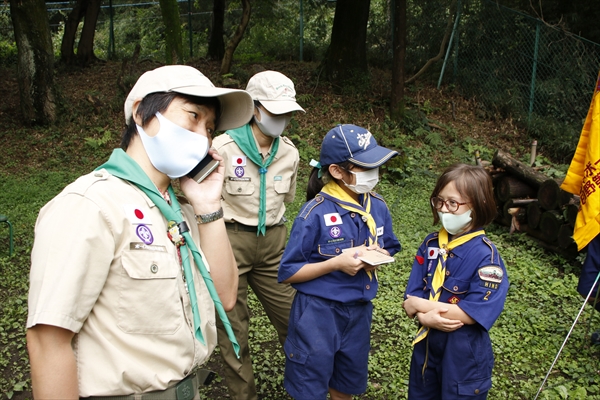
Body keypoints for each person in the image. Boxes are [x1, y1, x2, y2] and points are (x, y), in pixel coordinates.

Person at [26, 65, 255, 399]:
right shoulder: (90, 205)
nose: (202, 136)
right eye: (192, 116)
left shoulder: (182, 212)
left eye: (209, 128)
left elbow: (225, 297)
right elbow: (48, 342)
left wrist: (208, 207)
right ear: (140, 112)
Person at [277, 124, 401, 400]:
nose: (374, 173)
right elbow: (289, 272)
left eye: (376, 165)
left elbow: (389, 245)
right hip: (317, 314)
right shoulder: (314, 213)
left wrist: (376, 257)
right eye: (365, 167)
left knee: (346, 380)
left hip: (358, 312)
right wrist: (335, 264)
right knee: (309, 381)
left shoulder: (377, 206)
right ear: (336, 171)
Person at [211, 70, 304, 399]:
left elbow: (286, 199)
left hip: (275, 245)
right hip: (229, 241)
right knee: (234, 333)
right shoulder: (222, 147)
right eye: (275, 112)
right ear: (255, 109)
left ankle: (305, 388)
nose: (282, 120)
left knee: (297, 321)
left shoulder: (289, 153)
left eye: (287, 113)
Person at [402, 163, 509, 399]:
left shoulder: (487, 258)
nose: (444, 210)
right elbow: (411, 296)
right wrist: (423, 317)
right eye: (439, 201)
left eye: (453, 203)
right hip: (427, 349)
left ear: (478, 204)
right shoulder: (431, 245)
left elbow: (473, 312)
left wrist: (419, 308)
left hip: (463, 356)